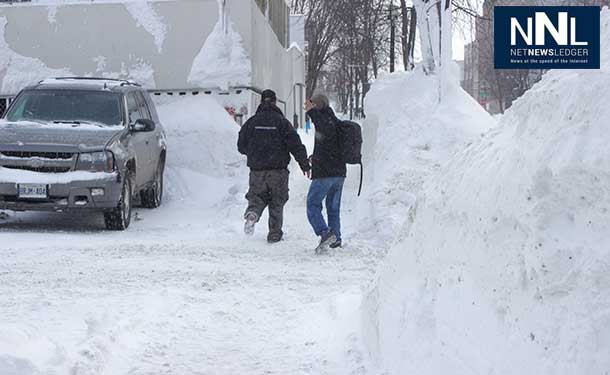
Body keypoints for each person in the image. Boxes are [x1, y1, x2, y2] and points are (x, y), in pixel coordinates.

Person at [238, 89, 311, 243]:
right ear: (275, 102)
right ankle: (274, 234)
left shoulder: (252, 122)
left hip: (257, 170)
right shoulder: (282, 122)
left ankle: (252, 213)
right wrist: (304, 164)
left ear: (261, 101)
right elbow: (295, 145)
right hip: (278, 170)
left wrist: (253, 154)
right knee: (277, 201)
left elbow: (241, 145)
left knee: (256, 197)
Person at [304, 94, 346, 253]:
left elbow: (322, 127)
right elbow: (329, 141)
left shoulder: (324, 120)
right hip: (339, 173)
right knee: (333, 207)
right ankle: (336, 238)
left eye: (313, 104)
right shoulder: (335, 121)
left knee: (312, 204)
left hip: (325, 173)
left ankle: (325, 233)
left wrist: (311, 111)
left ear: (318, 106)